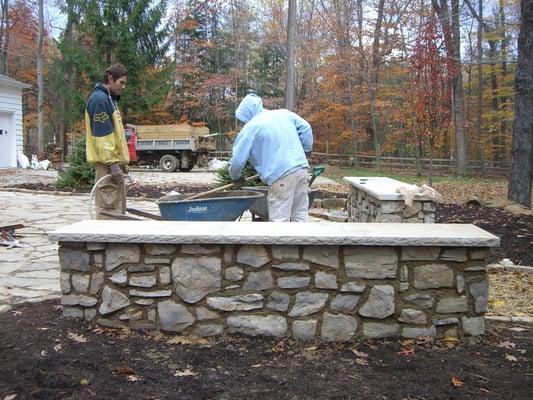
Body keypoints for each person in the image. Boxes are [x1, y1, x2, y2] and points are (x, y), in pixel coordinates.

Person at [229, 93, 313, 222]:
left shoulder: (252, 127)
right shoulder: (284, 114)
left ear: (247, 113)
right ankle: (301, 242)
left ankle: (279, 242)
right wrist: (306, 150)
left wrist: (235, 177)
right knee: (300, 215)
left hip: (281, 176)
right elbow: (306, 128)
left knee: (279, 221)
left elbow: (237, 160)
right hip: (301, 169)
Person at [85, 63, 130, 219]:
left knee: (116, 209)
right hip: (107, 165)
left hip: (113, 163)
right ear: (111, 79)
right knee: (108, 210)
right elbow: (103, 138)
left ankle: (116, 243)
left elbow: (114, 136)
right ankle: (103, 243)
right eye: (121, 82)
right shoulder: (99, 100)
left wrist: (122, 163)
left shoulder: (109, 100)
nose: (124, 87)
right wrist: (113, 165)